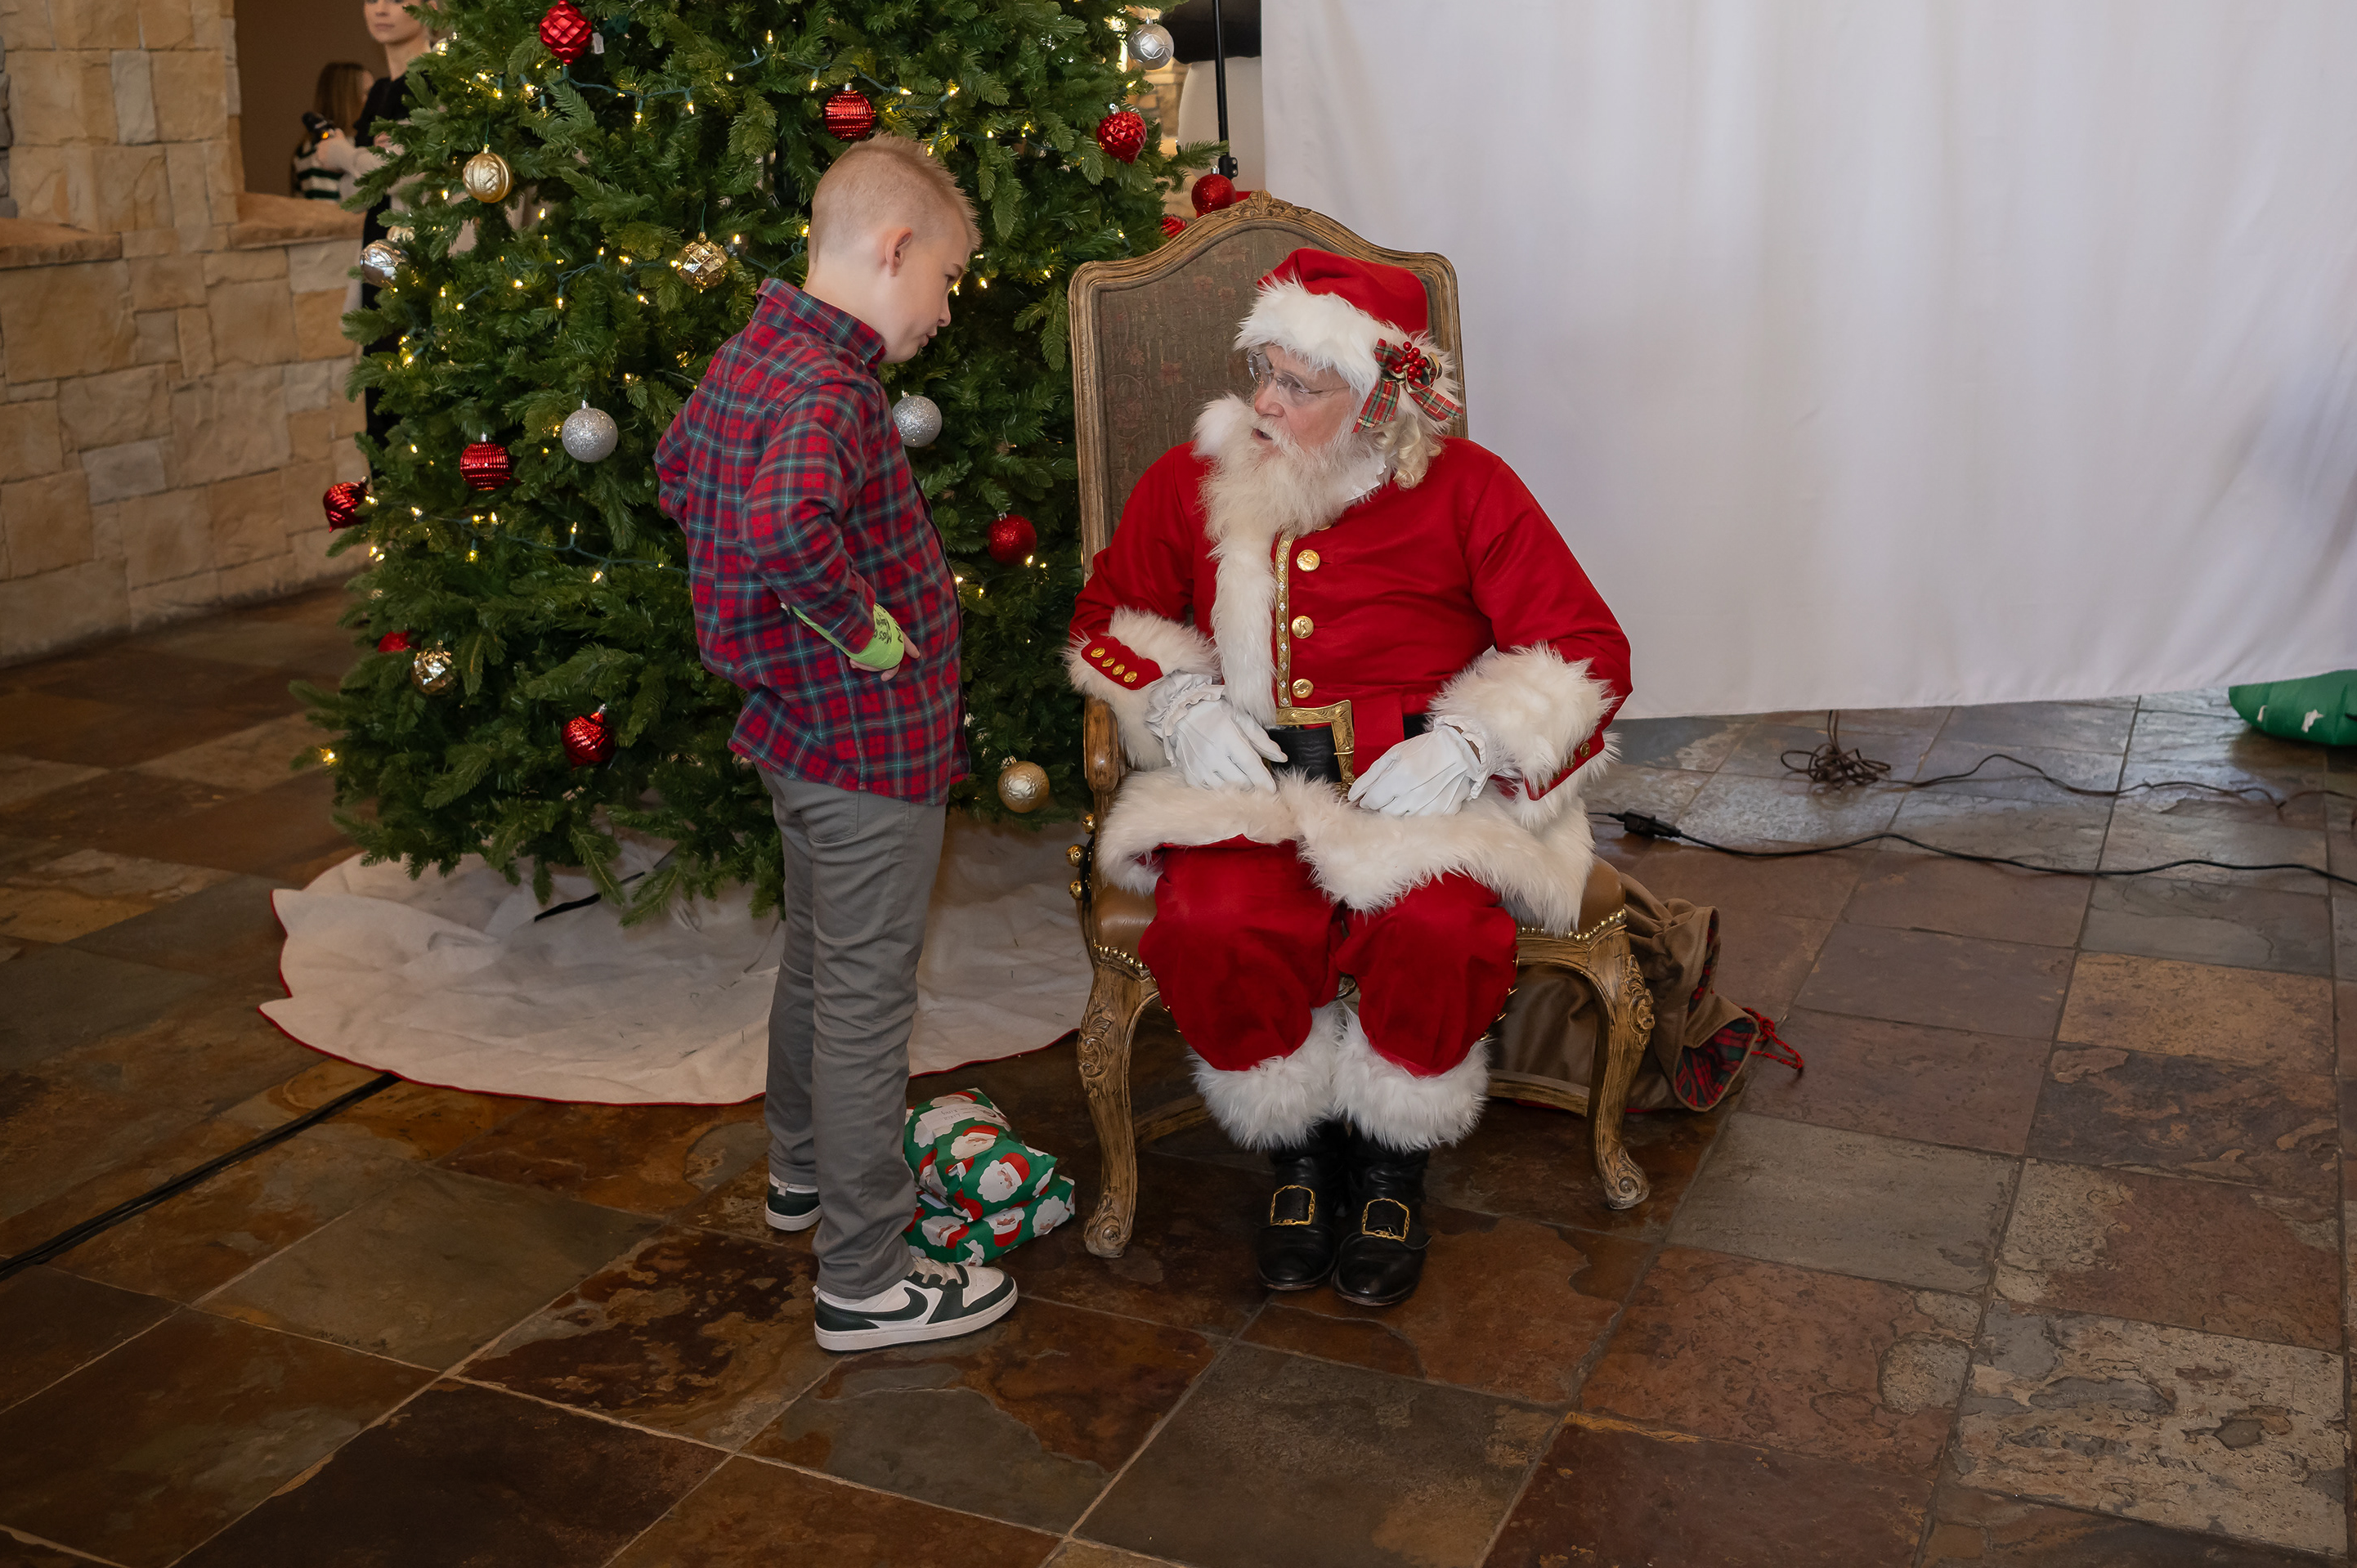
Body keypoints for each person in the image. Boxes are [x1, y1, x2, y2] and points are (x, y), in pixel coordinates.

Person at [1067, 250, 1629, 1307]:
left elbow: (1587, 647)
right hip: (1252, 787)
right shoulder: (1195, 478)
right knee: (1218, 922)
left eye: (1300, 384)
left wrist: (1474, 744)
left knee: (1439, 930)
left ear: (1376, 401)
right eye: (1263, 371)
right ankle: (1299, 1151)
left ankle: (1389, 1163)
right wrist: (1179, 704)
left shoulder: (1470, 486)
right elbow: (1107, 623)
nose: (1264, 404)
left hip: (1422, 796)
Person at [655, 134, 1009, 1353]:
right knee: (864, 1000)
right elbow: (785, 527)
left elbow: (679, 467)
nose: (945, 310)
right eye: (945, 279)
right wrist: (864, 631)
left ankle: (801, 1171)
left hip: (797, 739)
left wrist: (754, 621)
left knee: (818, 963)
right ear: (893, 248)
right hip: (867, 750)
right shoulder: (832, 387)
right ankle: (867, 1273)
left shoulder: (755, 351)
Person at [293, 0, 436, 248]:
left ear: (429, 10)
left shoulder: (435, 79)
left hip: (424, 247)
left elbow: (405, 172)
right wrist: (357, 162)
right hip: (376, 249)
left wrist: (343, 155)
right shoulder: (379, 92)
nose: (380, 9)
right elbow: (356, 197)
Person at [292, 62, 371, 201]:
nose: (376, 99)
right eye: (368, 93)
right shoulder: (319, 150)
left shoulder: (359, 142)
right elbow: (325, 210)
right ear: (347, 98)